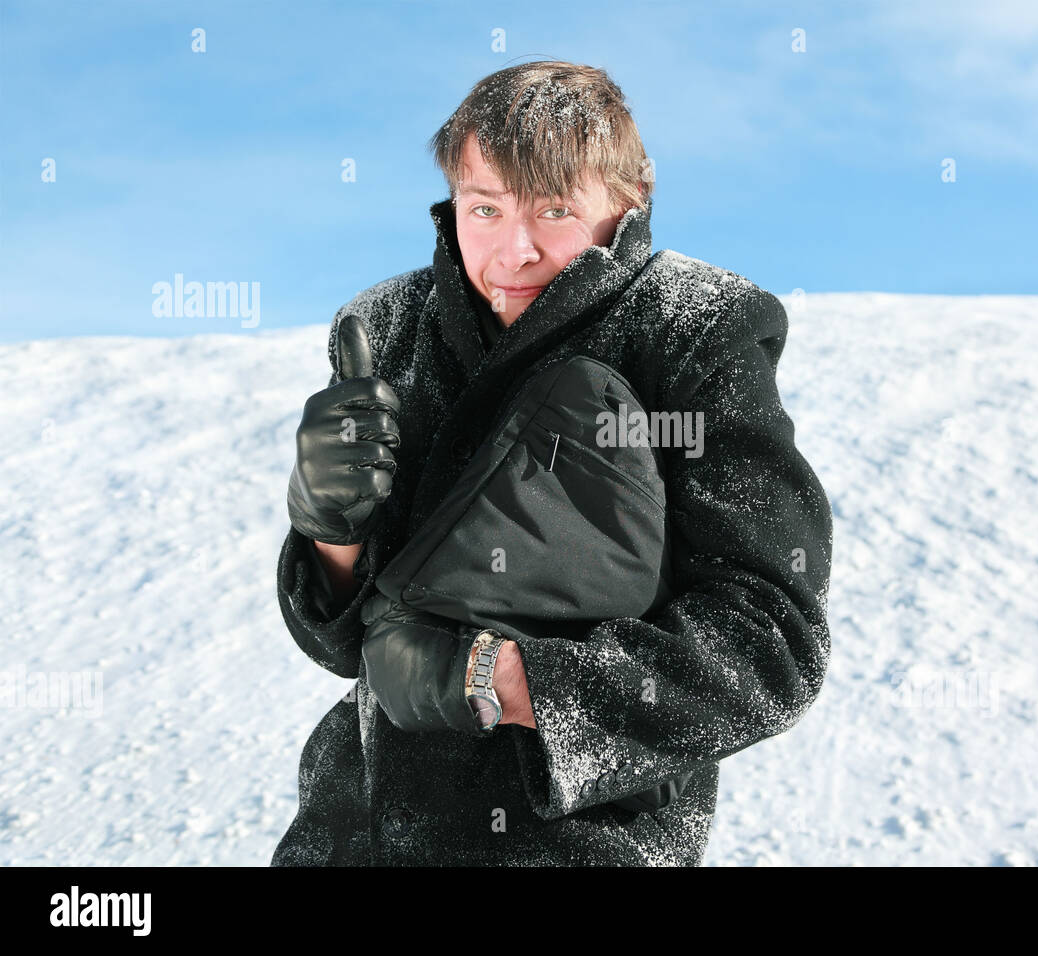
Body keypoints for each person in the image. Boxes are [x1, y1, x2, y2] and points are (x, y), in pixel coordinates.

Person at [272, 60, 834, 866]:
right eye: (485, 208)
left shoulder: (695, 331)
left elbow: (771, 644)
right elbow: (344, 646)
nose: (516, 249)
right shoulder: (384, 329)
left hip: (574, 841)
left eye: (556, 210)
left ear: (627, 203)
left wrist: (497, 680)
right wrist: (330, 533)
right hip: (350, 831)